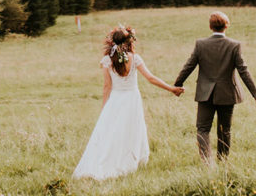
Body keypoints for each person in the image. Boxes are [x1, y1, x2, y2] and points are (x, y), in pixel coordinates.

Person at [72, 25, 185, 180]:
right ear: (129, 41)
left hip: (116, 100)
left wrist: (105, 107)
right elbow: (151, 78)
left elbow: (107, 87)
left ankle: (112, 160)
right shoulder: (135, 58)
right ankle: (130, 160)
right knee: (132, 129)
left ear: (112, 42)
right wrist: (171, 89)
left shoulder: (107, 60)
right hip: (132, 98)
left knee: (112, 131)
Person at [173, 11, 256, 164]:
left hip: (205, 94)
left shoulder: (201, 44)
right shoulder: (234, 45)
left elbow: (189, 65)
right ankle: (223, 160)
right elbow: (243, 70)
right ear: (227, 26)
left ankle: (208, 162)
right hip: (227, 94)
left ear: (210, 26)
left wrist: (177, 84)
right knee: (224, 129)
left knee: (202, 128)